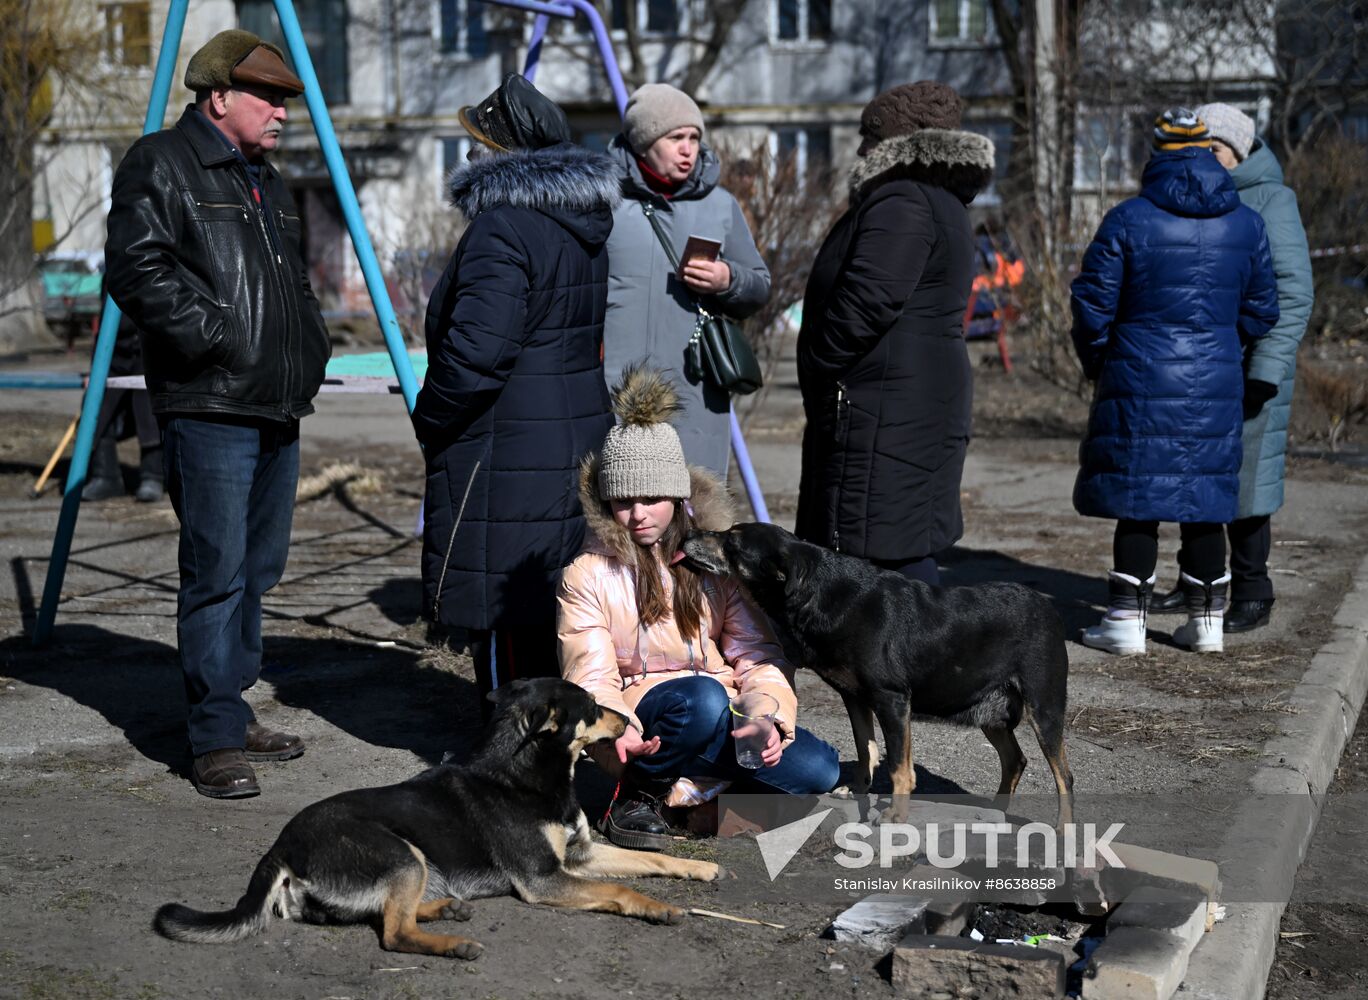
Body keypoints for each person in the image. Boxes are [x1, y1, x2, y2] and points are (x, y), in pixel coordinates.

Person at [105, 30, 330, 798]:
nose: (282, 114)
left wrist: (310, 345)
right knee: (216, 570)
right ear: (218, 97)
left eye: (286, 102)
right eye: (269, 99)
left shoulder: (261, 178)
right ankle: (211, 738)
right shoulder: (162, 162)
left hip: (275, 402)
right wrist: (219, 339)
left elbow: (289, 286)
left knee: (258, 570)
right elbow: (135, 267)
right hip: (210, 403)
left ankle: (233, 709)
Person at [559, 365, 840, 850]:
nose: (638, 514)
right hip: (643, 715)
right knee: (703, 702)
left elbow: (757, 654)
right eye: (623, 501)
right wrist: (614, 728)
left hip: (720, 708)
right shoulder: (587, 572)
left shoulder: (715, 563)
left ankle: (686, 805)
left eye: (652, 498)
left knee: (820, 770)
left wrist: (765, 717)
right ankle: (634, 797)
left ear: (678, 496)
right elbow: (590, 672)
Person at [413, 74, 618, 715]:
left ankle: (511, 763)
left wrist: (432, 418)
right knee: (550, 605)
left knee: (506, 613)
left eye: (475, 144)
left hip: (506, 447)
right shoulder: (580, 227)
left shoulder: (502, 230)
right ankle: (550, 744)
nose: (467, 157)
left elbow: (476, 353)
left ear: (499, 153)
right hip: (571, 439)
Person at [1071, 109, 1279, 656]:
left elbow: (1092, 304)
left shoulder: (1129, 219)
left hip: (1139, 373)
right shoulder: (1247, 223)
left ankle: (1124, 622)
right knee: (1205, 497)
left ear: (1158, 152)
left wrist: (1100, 360)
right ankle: (1206, 623)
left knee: (1139, 499)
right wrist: (1223, 344)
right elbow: (1263, 310)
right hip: (1214, 378)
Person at [796, 81, 994, 585]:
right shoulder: (939, 200)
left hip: (883, 405)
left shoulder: (902, 199)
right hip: (907, 398)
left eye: (871, 135)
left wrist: (820, 363)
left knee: (882, 550)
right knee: (902, 537)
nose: (861, 149)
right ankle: (910, 653)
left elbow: (869, 299)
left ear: (898, 141)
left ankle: (903, 658)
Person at [1151, 103, 1315, 634]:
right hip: (1202, 365)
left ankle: (1252, 589)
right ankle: (1196, 582)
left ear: (1239, 152)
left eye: (1217, 150)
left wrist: (1266, 366)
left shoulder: (1271, 199)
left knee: (1249, 484)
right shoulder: (1192, 193)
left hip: (1252, 367)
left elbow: (1293, 292)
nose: (1209, 160)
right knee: (1195, 476)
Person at [601, 83, 770, 477]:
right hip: (614, 391)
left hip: (695, 393)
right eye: (675, 137)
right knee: (617, 507)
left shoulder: (720, 205)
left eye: (694, 137)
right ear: (643, 143)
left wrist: (727, 279)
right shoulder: (604, 203)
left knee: (693, 514)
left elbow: (759, 285)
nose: (688, 149)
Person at [81, 293, 162, 503]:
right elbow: (103, 325)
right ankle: (106, 477)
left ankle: (153, 476)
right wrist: (95, 370)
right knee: (95, 403)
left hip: (150, 351)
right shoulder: (112, 270)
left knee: (148, 405)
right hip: (116, 355)